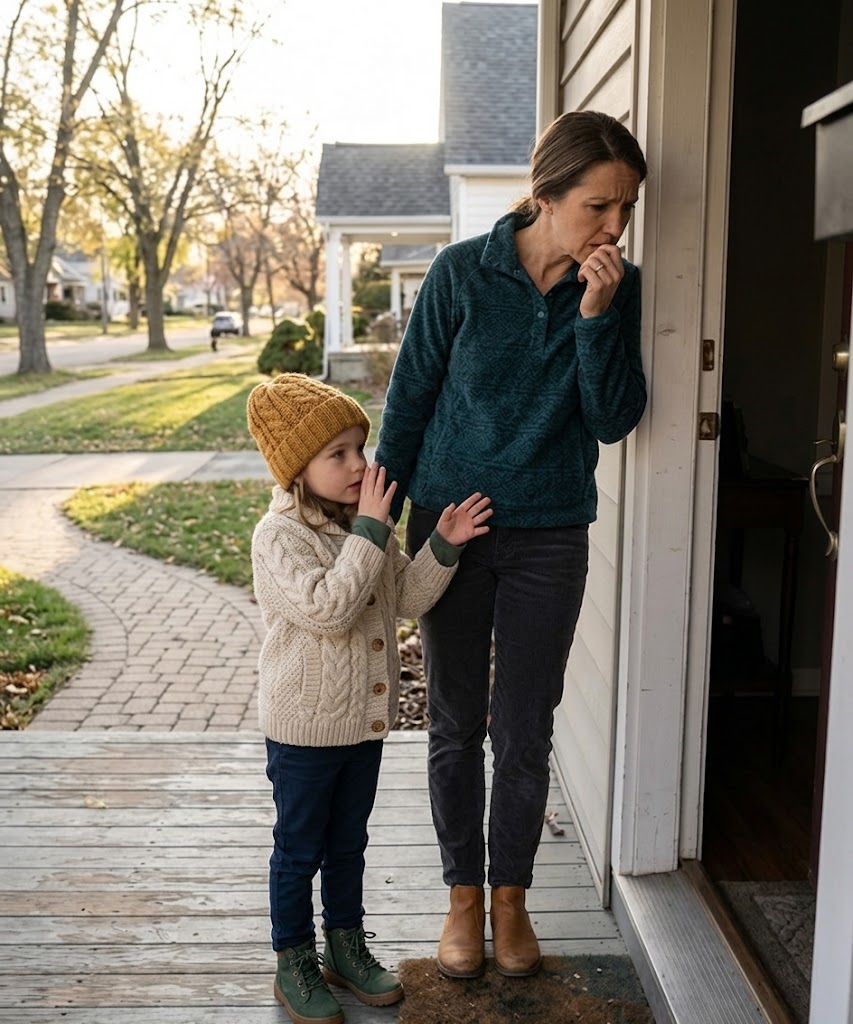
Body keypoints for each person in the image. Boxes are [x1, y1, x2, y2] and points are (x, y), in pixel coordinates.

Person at [374, 110, 648, 981]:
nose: (613, 226)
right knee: (454, 723)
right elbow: (408, 402)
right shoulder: (461, 273)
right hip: (450, 532)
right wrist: (375, 531)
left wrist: (597, 314)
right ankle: (461, 899)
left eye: (626, 209)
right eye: (598, 205)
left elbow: (611, 418)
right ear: (545, 194)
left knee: (524, 732)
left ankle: (510, 901)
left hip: (550, 535)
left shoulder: (614, 284)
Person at [246, 373, 492, 1024]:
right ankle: (292, 959)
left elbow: (403, 598)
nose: (360, 463)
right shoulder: (279, 538)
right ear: (298, 469)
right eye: (339, 454)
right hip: (303, 728)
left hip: (360, 724)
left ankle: (345, 946)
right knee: (299, 848)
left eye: (361, 446)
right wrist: (372, 532)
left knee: (348, 843)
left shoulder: (365, 526)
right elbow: (328, 609)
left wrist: (442, 545)